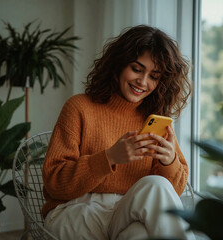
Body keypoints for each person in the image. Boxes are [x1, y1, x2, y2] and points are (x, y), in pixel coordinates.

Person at [42, 25, 194, 240]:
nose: (143, 82)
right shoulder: (79, 107)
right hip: (74, 210)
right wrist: (110, 157)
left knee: (152, 199)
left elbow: (170, 197)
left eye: (154, 76)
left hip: (125, 210)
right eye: (137, 69)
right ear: (118, 64)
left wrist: (170, 163)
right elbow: (55, 184)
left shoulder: (154, 119)